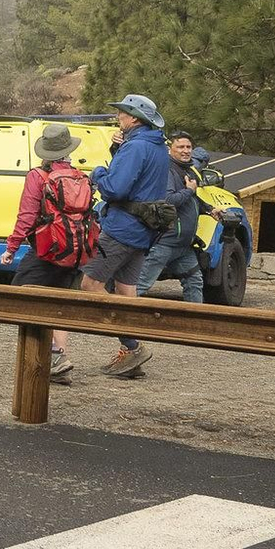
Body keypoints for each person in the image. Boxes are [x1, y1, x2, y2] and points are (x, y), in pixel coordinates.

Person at [87, 94, 177, 377]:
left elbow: (115, 189)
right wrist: (118, 153)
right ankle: (130, 355)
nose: (119, 118)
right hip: (143, 231)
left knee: (89, 286)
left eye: (123, 114)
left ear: (135, 118)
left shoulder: (136, 147)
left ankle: (132, 346)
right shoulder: (158, 146)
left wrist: (99, 172)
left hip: (121, 228)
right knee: (127, 291)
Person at [0, 123, 97, 380]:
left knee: (21, 297)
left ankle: (51, 356)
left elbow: (27, 216)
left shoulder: (38, 177)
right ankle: (60, 357)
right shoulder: (79, 176)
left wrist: (11, 248)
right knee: (58, 303)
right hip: (74, 251)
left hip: (46, 250)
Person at [134, 131, 208, 303]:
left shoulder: (188, 170)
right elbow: (168, 201)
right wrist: (189, 190)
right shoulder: (167, 170)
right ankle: (116, 319)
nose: (185, 150)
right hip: (165, 242)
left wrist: (210, 210)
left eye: (188, 147)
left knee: (194, 282)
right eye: (180, 146)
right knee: (139, 285)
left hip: (183, 245)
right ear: (169, 149)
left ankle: (194, 326)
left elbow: (192, 201)